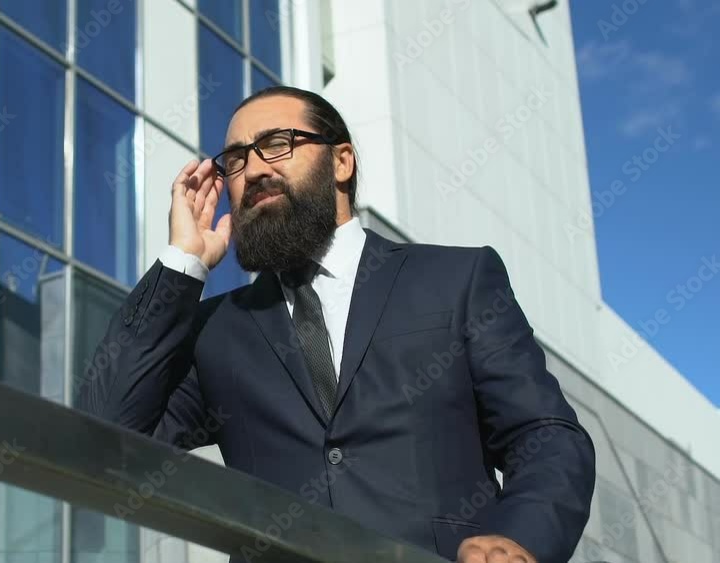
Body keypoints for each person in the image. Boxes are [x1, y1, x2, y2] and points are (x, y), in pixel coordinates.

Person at [78, 86, 595, 563]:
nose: (253, 169)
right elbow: (104, 435)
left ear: (341, 161)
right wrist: (182, 261)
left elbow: (544, 434)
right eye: (235, 159)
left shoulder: (456, 280)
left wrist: (517, 537)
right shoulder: (218, 329)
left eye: (277, 144)